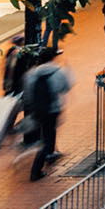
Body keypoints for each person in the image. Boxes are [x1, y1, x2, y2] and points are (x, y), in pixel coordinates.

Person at [22, 48, 71, 181]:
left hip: (37, 110)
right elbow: (65, 87)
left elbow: (27, 94)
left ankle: (49, 153)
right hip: (52, 109)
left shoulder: (31, 74)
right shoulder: (58, 71)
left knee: (45, 133)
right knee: (48, 138)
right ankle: (36, 170)